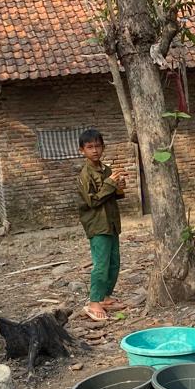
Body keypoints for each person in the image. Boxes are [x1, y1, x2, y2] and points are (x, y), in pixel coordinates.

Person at [77, 127, 127, 322]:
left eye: (98, 146)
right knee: (101, 264)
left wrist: (119, 186)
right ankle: (94, 302)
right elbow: (92, 201)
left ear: (103, 147)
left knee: (114, 263)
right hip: (97, 225)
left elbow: (112, 194)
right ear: (82, 150)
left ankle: (106, 297)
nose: (95, 150)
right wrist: (110, 184)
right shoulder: (85, 174)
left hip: (112, 222)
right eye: (90, 147)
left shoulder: (106, 170)